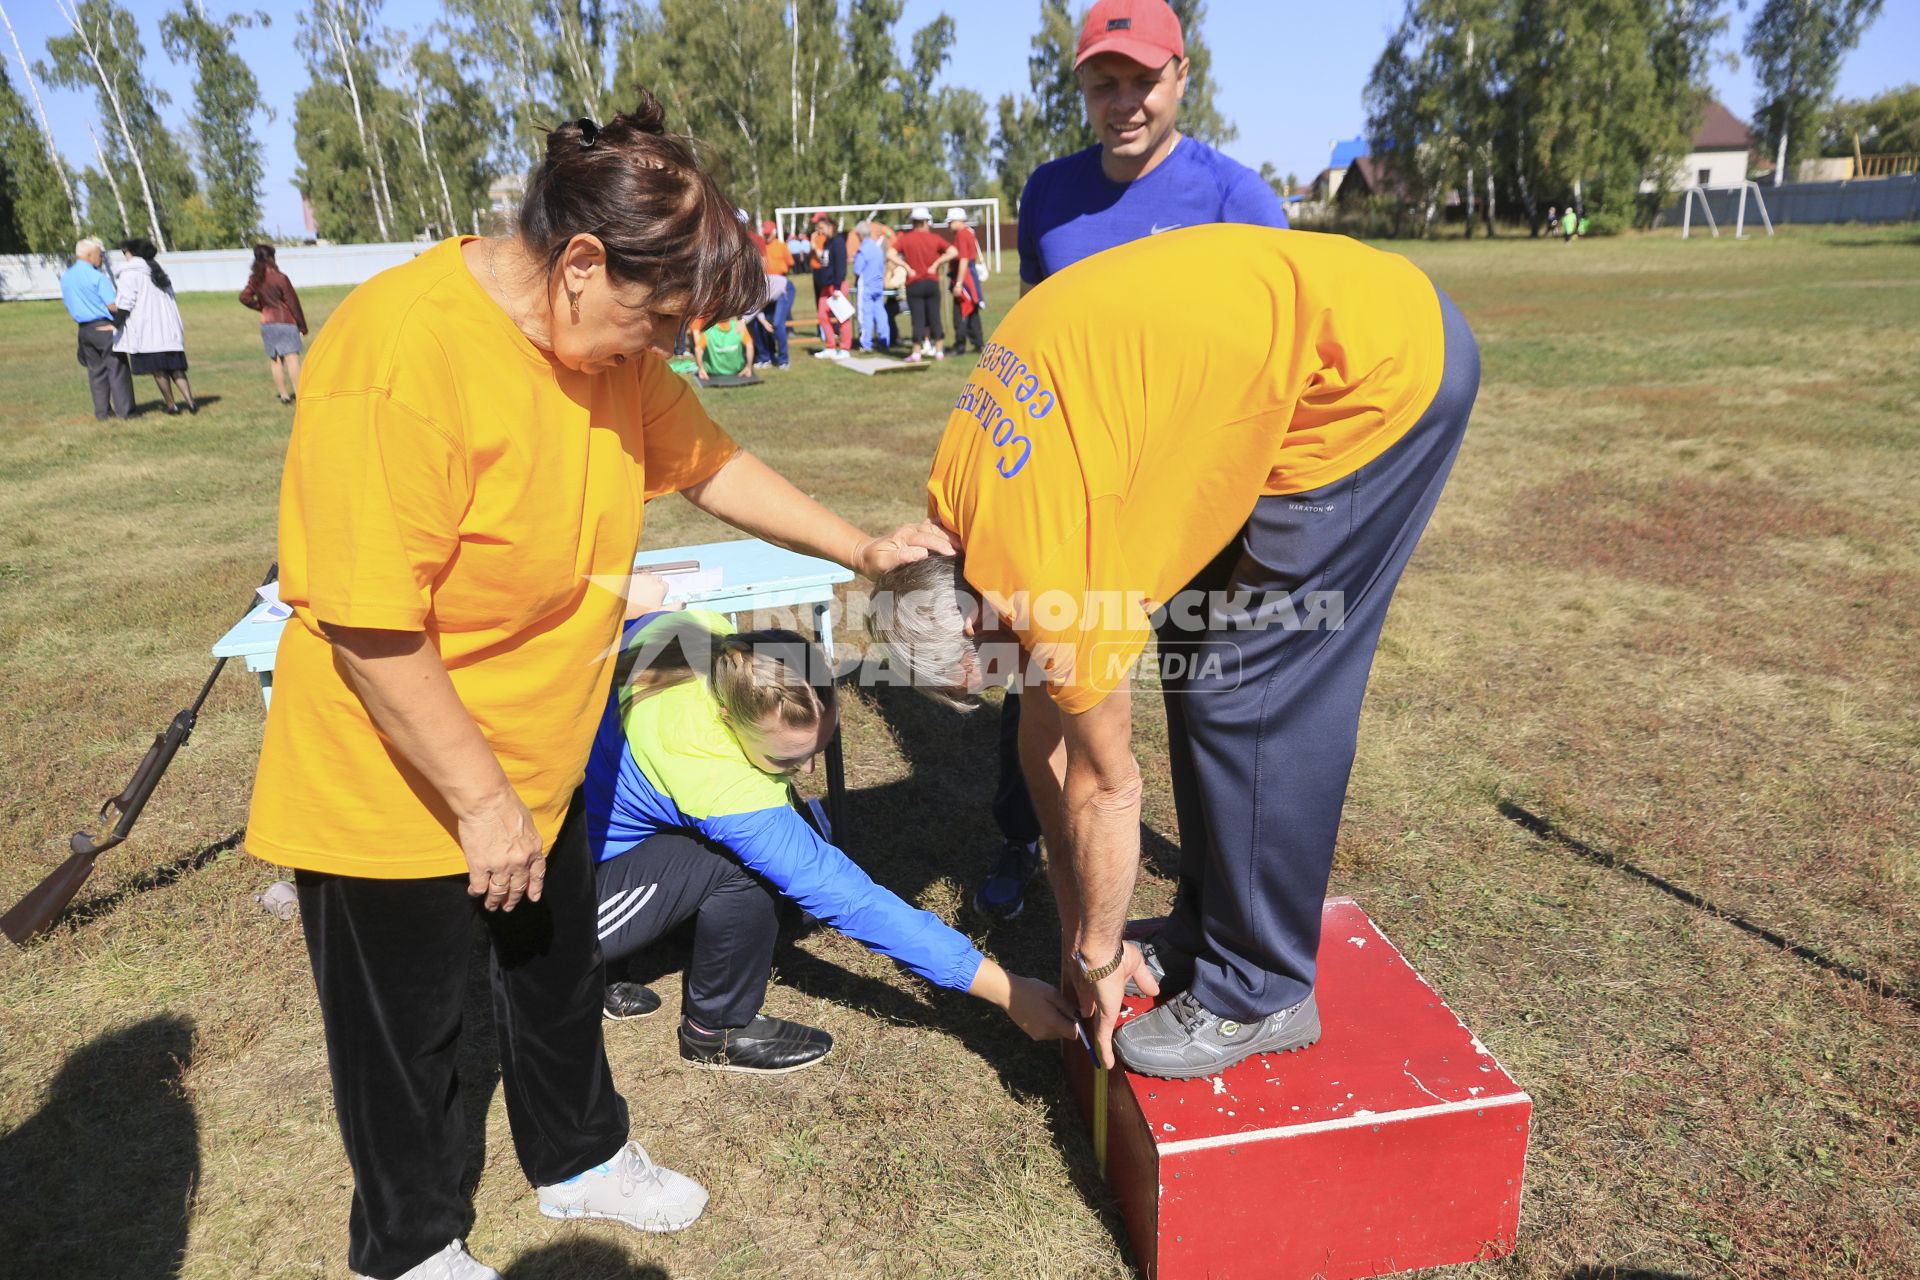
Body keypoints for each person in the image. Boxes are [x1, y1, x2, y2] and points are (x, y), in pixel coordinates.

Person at [243, 95, 955, 1280]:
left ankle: (578, 1153)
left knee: (555, 973)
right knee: (409, 1031)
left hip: (541, 751)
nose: (666, 351)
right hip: (395, 771)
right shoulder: (400, 352)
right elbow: (370, 625)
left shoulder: (610, 354)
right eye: (658, 319)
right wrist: (480, 803)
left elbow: (712, 461)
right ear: (580, 262)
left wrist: (862, 549)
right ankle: (410, 1244)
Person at [867, 224, 1478, 1082]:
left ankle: (1261, 989)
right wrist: (1088, 932)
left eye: (995, 672)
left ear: (974, 618)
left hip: (1374, 372)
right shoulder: (960, 510)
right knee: (1195, 644)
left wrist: (1093, 954)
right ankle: (1211, 930)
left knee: (1246, 685)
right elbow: (1043, 750)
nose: (1017, 683)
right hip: (1299, 342)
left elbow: (1111, 786)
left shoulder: (1045, 576)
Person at [974, 0, 1294, 923]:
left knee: (1205, 684)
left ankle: (1217, 863)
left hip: (1196, 497)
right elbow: (1036, 337)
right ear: (1081, 87)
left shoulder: (1238, 200)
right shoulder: (1047, 193)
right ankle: (1022, 837)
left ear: (1182, 77)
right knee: (1043, 679)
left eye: (1142, 81)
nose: (1124, 103)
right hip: (1073, 495)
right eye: (1103, 83)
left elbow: (1278, 353)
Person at [585, 608, 1079, 1069]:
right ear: (725, 720)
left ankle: (625, 956)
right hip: (550, 909)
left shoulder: (697, 633)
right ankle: (716, 1030)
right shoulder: (715, 780)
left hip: (587, 831)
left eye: (821, 746)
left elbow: (639, 612)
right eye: (787, 759)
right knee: (740, 864)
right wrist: (1007, 989)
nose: (808, 769)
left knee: (765, 839)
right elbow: (853, 901)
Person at [113, 237, 194, 416]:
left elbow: (126, 302)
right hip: (169, 328)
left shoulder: (131, 272)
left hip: (148, 329)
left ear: (130, 252)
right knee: (176, 368)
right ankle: (190, 401)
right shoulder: (158, 270)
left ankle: (171, 405)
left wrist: (116, 325)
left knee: (158, 371)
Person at [60, 236, 132, 420]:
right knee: (117, 368)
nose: (101, 258)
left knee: (95, 371)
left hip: (84, 330)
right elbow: (112, 305)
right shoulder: (96, 277)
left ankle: (103, 412)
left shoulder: (66, 276)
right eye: (100, 255)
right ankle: (125, 412)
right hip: (104, 326)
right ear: (90, 254)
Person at [238, 244, 309, 405]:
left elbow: (244, 297)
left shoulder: (255, 279)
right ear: (271, 258)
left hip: (267, 323)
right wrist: (302, 325)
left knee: (275, 360)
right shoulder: (280, 278)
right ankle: (300, 394)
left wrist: (261, 307)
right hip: (286, 322)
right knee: (292, 360)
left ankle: (284, 395)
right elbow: (292, 302)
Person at [894, 206, 955, 363]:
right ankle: (939, 351)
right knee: (935, 316)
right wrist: (936, 264)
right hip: (931, 282)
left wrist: (906, 267)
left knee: (917, 318)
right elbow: (953, 251)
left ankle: (916, 352)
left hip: (914, 283)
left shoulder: (905, 239)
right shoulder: (934, 238)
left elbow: (890, 253)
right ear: (926, 222)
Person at [944, 207, 985, 357]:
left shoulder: (962, 235)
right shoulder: (968, 233)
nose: (948, 225)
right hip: (969, 276)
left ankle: (960, 345)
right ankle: (978, 342)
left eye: (950, 222)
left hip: (964, 277)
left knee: (960, 312)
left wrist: (959, 283)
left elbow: (963, 259)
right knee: (972, 312)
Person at [811, 213, 852, 360]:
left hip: (837, 286)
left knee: (843, 317)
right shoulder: (827, 243)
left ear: (830, 226)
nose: (820, 231)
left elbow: (841, 266)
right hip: (826, 286)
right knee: (822, 315)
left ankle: (845, 348)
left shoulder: (838, 242)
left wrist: (837, 287)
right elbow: (824, 261)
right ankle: (830, 346)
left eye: (821, 228)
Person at [756, 218, 795, 369]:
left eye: (768, 234)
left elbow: (790, 263)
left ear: (774, 232)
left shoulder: (781, 246)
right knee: (766, 324)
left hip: (780, 287)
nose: (766, 236)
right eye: (764, 234)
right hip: (765, 289)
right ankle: (768, 355)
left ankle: (784, 359)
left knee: (778, 322)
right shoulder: (760, 247)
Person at [852, 221, 890, 354]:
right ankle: (885, 340)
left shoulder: (863, 250)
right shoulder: (877, 249)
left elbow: (857, 270)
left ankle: (865, 343)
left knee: (865, 314)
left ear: (860, 235)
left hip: (866, 286)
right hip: (878, 285)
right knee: (880, 313)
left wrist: (855, 282)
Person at [692, 314, 755, 380]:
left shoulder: (708, 330)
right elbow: (749, 345)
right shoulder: (739, 326)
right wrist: (749, 367)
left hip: (714, 372)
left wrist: (701, 369)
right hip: (736, 370)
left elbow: (698, 349)